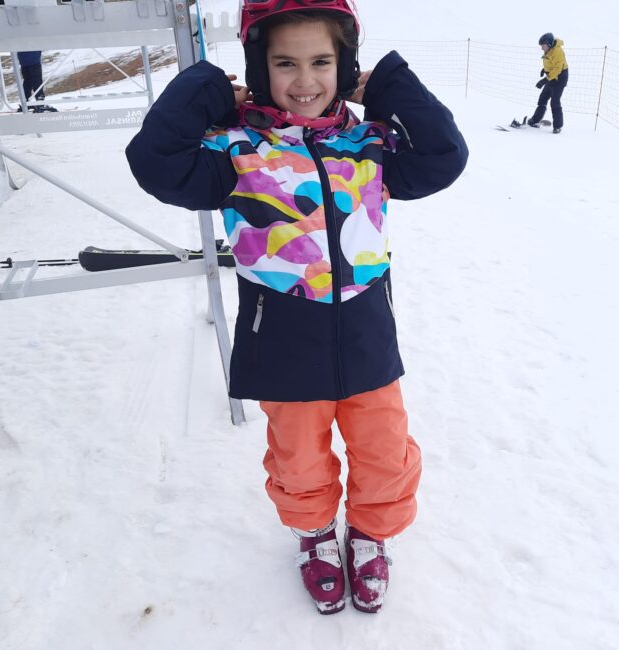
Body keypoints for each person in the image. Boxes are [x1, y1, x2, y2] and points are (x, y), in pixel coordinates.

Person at [126, 0, 467, 615]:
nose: (305, 80)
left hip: (366, 335)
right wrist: (208, 90)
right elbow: (154, 161)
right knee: (299, 459)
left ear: (345, 65)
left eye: (321, 62)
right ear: (259, 65)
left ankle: (370, 534)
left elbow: (445, 155)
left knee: (385, 451)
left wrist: (387, 86)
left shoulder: (369, 145)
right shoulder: (234, 152)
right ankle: (314, 535)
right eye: (285, 63)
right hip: (283, 340)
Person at [528, 33, 568, 133]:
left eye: (543, 45)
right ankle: (535, 120)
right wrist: (545, 70)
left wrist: (544, 80)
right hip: (552, 76)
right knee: (543, 98)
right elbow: (551, 63)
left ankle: (558, 126)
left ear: (549, 44)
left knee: (554, 101)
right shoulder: (549, 50)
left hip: (560, 78)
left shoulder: (557, 51)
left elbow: (558, 68)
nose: (542, 48)